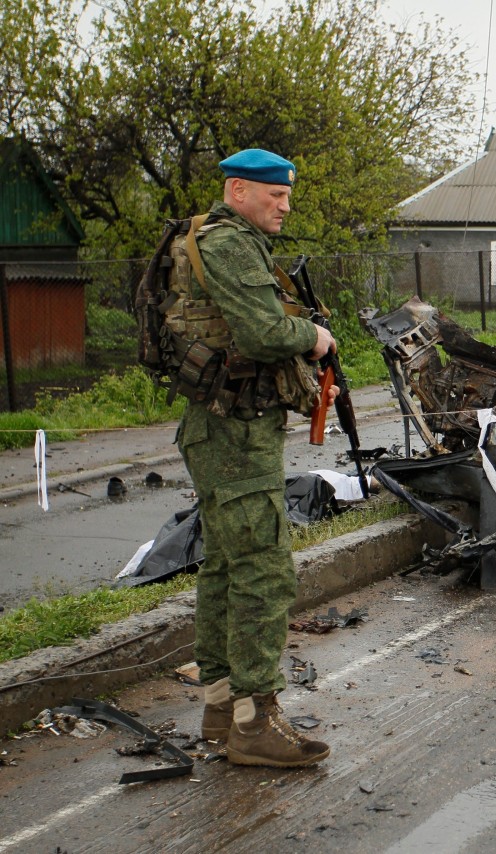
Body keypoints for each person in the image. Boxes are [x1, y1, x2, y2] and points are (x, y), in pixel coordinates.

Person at [181, 148, 337, 768]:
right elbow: (261, 334)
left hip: (226, 429)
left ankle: (222, 708)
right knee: (264, 572)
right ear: (239, 189)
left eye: (287, 194)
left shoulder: (222, 240)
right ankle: (254, 721)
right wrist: (315, 337)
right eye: (274, 194)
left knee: (224, 565)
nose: (285, 204)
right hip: (233, 433)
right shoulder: (228, 244)